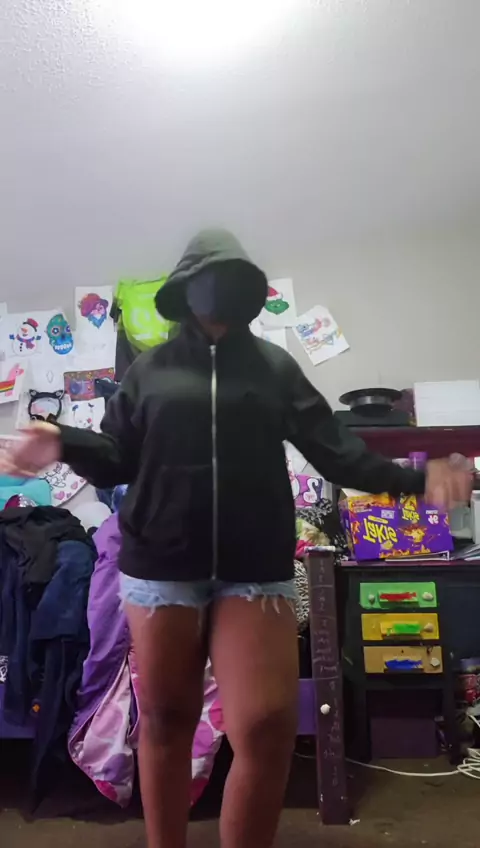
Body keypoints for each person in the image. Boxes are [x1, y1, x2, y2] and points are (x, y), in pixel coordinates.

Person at [2, 229, 472, 848]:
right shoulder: (149, 371)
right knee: (166, 720)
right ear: (183, 290)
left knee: (267, 724)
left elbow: (339, 452)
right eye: (206, 280)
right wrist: (61, 439)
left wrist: (417, 479)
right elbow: (117, 458)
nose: (217, 293)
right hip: (160, 568)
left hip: (255, 570)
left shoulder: (275, 368)